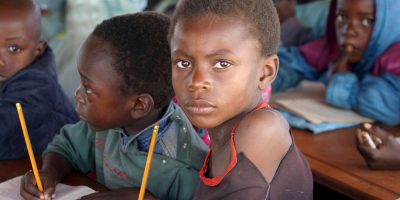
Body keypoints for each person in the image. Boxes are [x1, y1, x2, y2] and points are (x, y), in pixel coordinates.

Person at [20, 12, 209, 200]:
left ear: (138, 105)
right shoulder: (108, 125)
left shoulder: (186, 168)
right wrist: (49, 173)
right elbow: (67, 147)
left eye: (88, 88)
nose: (77, 94)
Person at [168, 0, 313, 199]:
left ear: (265, 73)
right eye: (183, 63)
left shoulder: (262, 129)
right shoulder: (224, 134)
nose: (197, 81)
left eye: (222, 63)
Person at [273, 0, 400, 125]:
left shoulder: (395, 57)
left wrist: (343, 82)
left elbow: (391, 106)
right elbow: (296, 62)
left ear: (388, 23)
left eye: (367, 21)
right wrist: (267, 80)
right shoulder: (334, 48)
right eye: (342, 17)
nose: (349, 30)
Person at [0, 0, 78, 160]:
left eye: (14, 49)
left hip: (63, 172)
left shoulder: (38, 88)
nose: (0, 60)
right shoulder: (10, 71)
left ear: (38, 50)